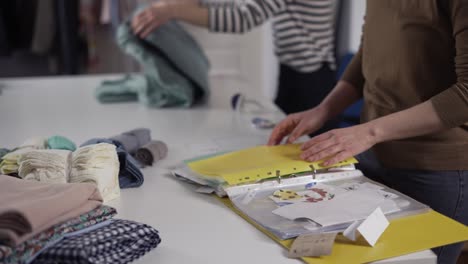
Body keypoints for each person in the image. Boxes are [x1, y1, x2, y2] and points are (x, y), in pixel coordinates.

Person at [268, 1, 468, 263]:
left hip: (434, 170)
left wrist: (368, 133)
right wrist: (324, 110)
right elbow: (369, 51)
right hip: (373, 158)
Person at [131, 0, 339, 133]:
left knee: (310, 158)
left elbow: (242, 18)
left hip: (311, 81)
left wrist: (173, 10)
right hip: (295, 72)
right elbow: (238, 8)